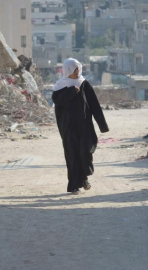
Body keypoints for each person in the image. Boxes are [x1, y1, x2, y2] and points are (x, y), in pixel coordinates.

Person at [51, 58, 109, 195]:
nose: (77, 72)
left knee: (85, 152)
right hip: (68, 127)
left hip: (84, 126)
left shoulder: (84, 84)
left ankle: (84, 177)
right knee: (72, 155)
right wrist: (71, 91)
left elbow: (94, 105)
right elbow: (57, 100)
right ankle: (74, 185)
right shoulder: (60, 87)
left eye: (78, 69)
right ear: (68, 70)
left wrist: (103, 125)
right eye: (74, 69)